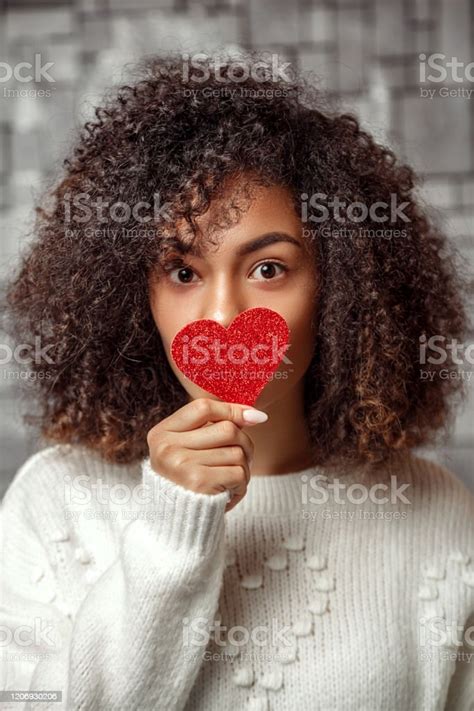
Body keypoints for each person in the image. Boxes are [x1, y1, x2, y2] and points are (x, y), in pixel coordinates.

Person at [1, 52, 473, 710]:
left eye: (270, 269)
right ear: (133, 294)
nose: (223, 315)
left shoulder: (439, 514)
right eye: (184, 272)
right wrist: (173, 527)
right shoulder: (55, 501)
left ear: (341, 284)